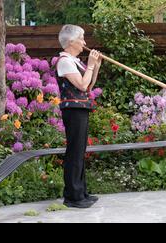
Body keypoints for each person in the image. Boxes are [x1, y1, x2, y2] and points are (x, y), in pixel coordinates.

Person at [56, 24, 102, 208]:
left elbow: (89, 87)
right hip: (73, 110)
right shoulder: (64, 61)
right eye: (82, 38)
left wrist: (95, 67)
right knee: (74, 151)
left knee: (80, 151)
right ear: (72, 41)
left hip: (81, 109)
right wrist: (90, 65)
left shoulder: (75, 61)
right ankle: (73, 196)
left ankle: (81, 192)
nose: (84, 42)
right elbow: (82, 86)